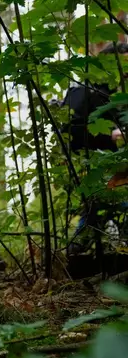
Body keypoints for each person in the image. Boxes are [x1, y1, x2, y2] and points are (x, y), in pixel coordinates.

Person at [60, 42, 127, 252]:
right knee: (94, 213)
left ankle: (77, 258)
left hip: (116, 169)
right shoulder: (83, 92)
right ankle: (73, 258)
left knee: (94, 216)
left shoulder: (116, 97)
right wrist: (111, 135)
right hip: (90, 168)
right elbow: (69, 132)